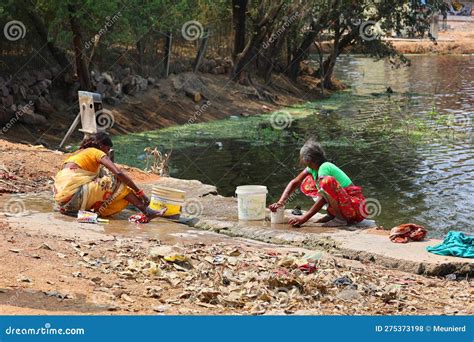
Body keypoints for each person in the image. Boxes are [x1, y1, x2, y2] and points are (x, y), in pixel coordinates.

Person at [53, 132, 165, 219]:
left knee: (105, 177)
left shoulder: (77, 154)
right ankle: (146, 210)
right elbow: (118, 173)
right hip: (73, 196)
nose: (107, 153)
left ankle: (145, 210)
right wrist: (140, 193)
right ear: (101, 146)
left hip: (63, 203)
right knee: (117, 181)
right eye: (107, 149)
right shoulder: (95, 152)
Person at [269, 139, 367, 227]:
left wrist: (304, 218)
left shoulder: (324, 167)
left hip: (355, 209)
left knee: (326, 182)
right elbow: (295, 182)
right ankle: (333, 214)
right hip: (347, 207)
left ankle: (340, 219)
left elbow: (323, 197)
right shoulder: (313, 169)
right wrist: (280, 202)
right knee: (307, 182)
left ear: (308, 159)